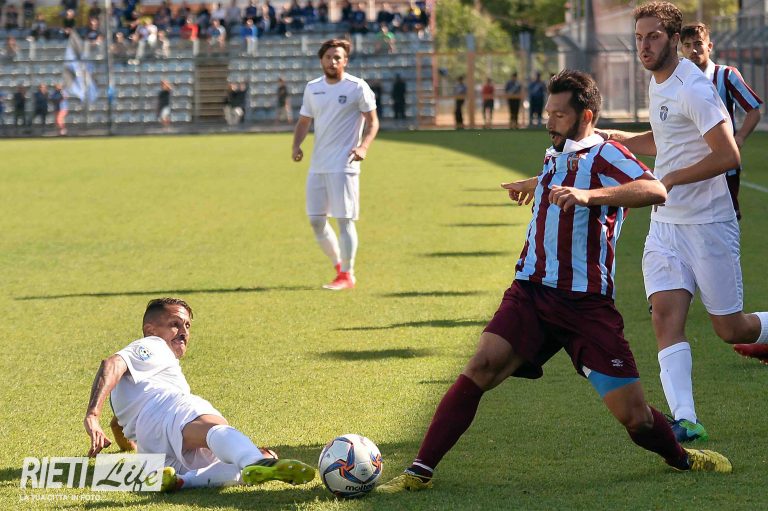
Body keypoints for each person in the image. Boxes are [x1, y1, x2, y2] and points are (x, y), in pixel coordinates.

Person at [377, 69, 732, 494]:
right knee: (481, 365)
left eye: (559, 115)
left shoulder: (607, 154)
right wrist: (536, 182)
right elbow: (564, 173)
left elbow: (656, 189)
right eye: (548, 113)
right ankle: (419, 471)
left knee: (635, 417)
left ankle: (683, 457)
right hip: (530, 290)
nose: (550, 121)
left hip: (585, 305)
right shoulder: (556, 152)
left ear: (586, 116)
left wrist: (589, 196)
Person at [597, 1, 768, 444]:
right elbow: (665, 139)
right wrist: (615, 138)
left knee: (731, 329)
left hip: (708, 224)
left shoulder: (693, 87)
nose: (644, 46)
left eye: (653, 37)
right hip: (665, 226)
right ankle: (686, 419)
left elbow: (728, 155)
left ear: (674, 39)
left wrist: (670, 179)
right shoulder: (657, 82)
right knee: (664, 318)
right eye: (639, 38)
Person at [83, 298, 316, 491]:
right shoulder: (154, 345)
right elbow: (112, 363)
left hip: (153, 449)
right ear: (150, 330)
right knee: (216, 429)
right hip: (166, 411)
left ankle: (184, 481)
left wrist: (126, 446)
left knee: (258, 456)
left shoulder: (143, 378)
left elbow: (118, 423)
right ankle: (255, 461)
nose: (183, 331)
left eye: (187, 325)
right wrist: (92, 416)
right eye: (175, 324)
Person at [292, 39, 379, 290]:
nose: (333, 61)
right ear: (321, 60)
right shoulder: (313, 88)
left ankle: (348, 274)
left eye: (338, 57)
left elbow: (373, 122)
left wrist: (363, 147)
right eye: (329, 57)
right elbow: (304, 121)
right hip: (318, 164)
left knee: (344, 220)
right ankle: (339, 267)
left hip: (345, 164)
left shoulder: (357, 87)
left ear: (345, 61)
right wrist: (296, 145)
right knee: (316, 221)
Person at [679, 22, 763, 221]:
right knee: (692, 221)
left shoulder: (726, 75)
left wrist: (739, 138)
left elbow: (754, 111)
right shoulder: (678, 79)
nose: (693, 50)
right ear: (681, 49)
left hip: (723, 165)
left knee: (726, 220)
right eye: (687, 45)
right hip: (690, 163)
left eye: (698, 44)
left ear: (709, 46)